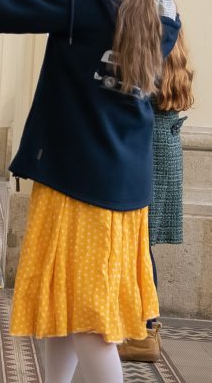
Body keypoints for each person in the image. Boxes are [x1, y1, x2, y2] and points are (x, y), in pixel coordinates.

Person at [0, 0, 180, 383]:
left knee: (90, 329)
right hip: (124, 186)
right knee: (62, 310)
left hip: (77, 181)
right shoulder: (163, 12)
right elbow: (101, 40)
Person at [119, 29, 194, 362]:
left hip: (146, 148)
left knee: (137, 243)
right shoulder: (174, 50)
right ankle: (142, 329)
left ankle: (143, 333)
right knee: (140, 243)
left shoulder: (149, 51)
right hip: (163, 147)